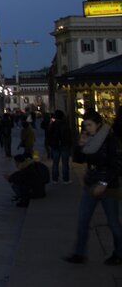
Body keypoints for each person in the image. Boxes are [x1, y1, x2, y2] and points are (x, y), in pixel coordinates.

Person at [63, 111, 122, 265]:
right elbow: (79, 160)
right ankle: (79, 253)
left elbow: (117, 164)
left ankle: (119, 253)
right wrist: (80, 145)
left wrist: (104, 183)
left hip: (108, 187)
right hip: (90, 184)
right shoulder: (89, 139)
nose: (87, 128)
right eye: (85, 125)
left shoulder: (110, 139)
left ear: (98, 124)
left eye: (90, 125)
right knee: (83, 219)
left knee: (113, 222)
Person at [46, 110, 72, 184]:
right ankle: (66, 179)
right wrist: (69, 144)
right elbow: (68, 135)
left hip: (55, 146)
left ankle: (55, 179)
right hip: (64, 145)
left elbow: (49, 135)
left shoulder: (53, 124)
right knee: (65, 163)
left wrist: (50, 144)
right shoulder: (65, 124)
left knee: (55, 163)